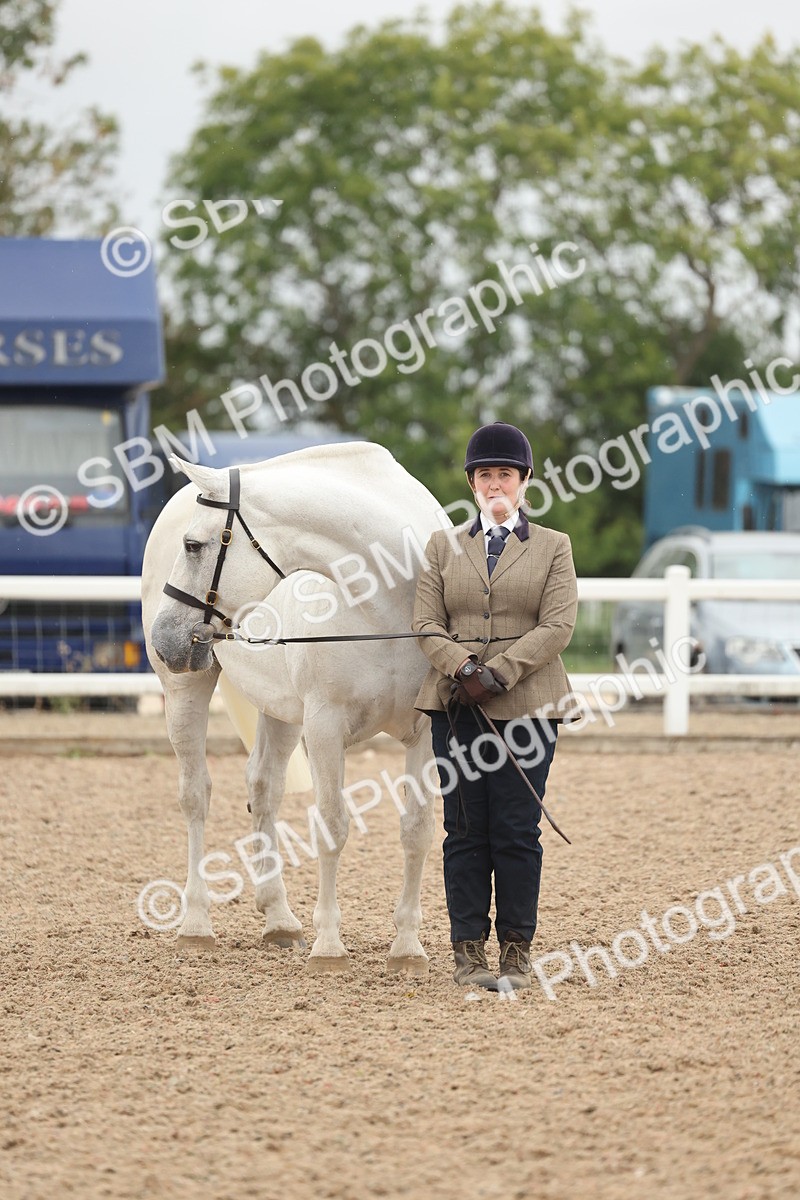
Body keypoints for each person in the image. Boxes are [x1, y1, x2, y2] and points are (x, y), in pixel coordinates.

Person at [412, 421, 578, 991]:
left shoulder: (554, 547)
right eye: (485, 474)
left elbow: (558, 624)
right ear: (472, 483)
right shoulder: (442, 547)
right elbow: (426, 623)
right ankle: (467, 953)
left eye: (505, 473)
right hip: (456, 705)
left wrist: (499, 673)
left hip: (529, 706)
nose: (495, 482)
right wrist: (462, 669)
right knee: (463, 829)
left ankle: (515, 950)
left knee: (515, 828)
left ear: (525, 480)